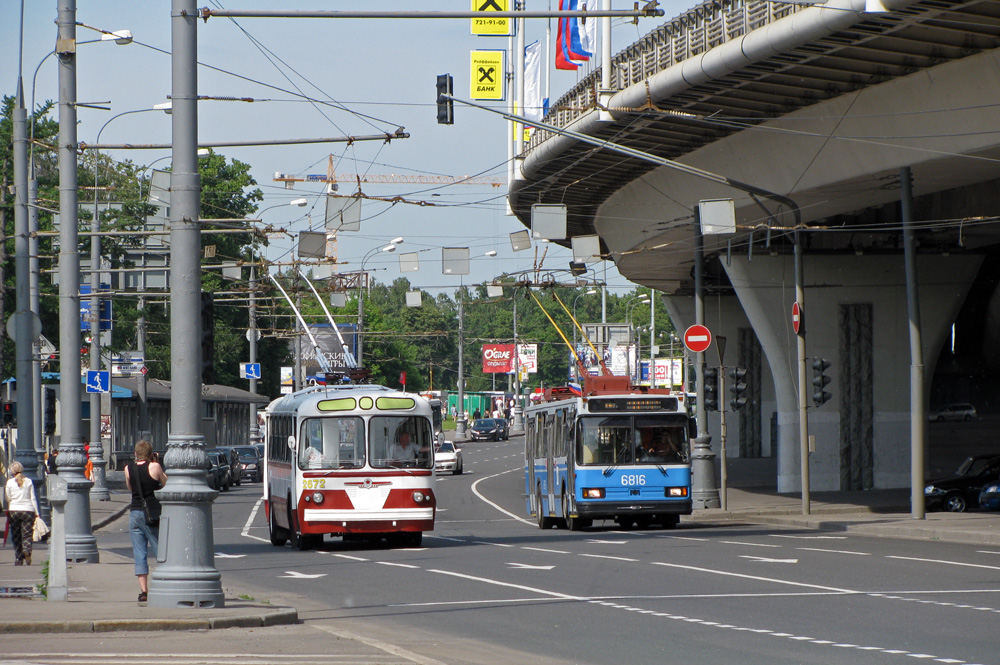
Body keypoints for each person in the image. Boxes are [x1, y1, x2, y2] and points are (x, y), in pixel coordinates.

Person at [125, 440, 167, 605]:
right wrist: (156, 464)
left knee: (139, 553)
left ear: (136, 453)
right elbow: (166, 484)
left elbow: (131, 489)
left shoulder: (128, 469)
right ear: (151, 454)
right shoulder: (154, 467)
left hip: (134, 513)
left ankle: (144, 591)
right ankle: (163, 584)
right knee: (159, 549)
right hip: (151, 513)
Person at [4, 461, 40, 565]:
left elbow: (8, 498)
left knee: (16, 535)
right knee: (27, 534)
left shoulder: (10, 482)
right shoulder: (28, 481)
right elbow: (33, 498)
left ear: (12, 471)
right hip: (28, 510)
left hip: (14, 510)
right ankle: (27, 550)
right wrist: (36, 513)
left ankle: (18, 558)